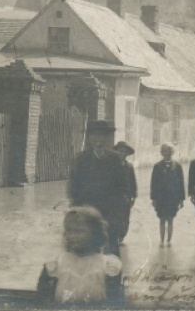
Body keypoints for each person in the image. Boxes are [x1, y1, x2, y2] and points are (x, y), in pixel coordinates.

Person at [36, 206, 124, 305]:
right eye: (69, 231)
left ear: (95, 233)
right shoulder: (55, 265)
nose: (72, 236)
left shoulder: (108, 267)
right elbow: (43, 300)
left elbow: (114, 302)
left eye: (78, 231)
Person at [68, 120, 128, 256]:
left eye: (101, 135)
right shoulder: (81, 159)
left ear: (107, 138)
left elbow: (123, 187)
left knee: (111, 252)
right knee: (90, 251)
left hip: (110, 214)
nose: (98, 139)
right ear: (89, 138)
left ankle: (114, 277)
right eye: (94, 136)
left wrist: (119, 213)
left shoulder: (115, 158)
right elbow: (74, 189)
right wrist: (77, 213)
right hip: (88, 213)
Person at [150, 144, 185, 247]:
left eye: (168, 151)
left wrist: (181, 199)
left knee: (170, 219)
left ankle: (169, 241)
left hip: (173, 198)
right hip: (161, 198)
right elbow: (153, 184)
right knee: (161, 219)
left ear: (172, 152)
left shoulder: (177, 166)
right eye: (164, 151)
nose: (166, 153)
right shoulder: (157, 166)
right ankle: (161, 240)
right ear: (161, 153)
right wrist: (153, 199)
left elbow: (181, 183)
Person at [111, 141, 137, 246]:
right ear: (116, 152)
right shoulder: (111, 165)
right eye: (120, 151)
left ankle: (121, 237)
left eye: (125, 152)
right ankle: (114, 237)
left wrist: (133, 196)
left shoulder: (129, 166)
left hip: (126, 198)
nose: (122, 154)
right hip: (113, 197)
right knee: (114, 217)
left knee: (125, 217)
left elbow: (133, 182)